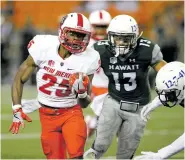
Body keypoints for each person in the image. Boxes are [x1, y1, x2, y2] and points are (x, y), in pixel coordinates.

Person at [9, 12, 100, 159]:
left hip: (71, 113)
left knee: (77, 155)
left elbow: (84, 104)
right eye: (73, 34)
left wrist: (82, 93)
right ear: (62, 31)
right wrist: (16, 108)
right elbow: (19, 78)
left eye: (81, 35)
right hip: (47, 115)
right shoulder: (43, 46)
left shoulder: (90, 58)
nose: (77, 39)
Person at [84, 14, 167, 159]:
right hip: (113, 100)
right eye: (117, 37)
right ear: (109, 36)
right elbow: (84, 71)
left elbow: (165, 71)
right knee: (100, 144)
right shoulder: (100, 49)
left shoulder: (147, 49)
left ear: (136, 37)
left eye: (126, 38)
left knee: (126, 152)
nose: (121, 42)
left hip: (139, 105)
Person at [134, 61, 184, 160]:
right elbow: (172, 92)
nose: (166, 97)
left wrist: (163, 153)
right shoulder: (181, 88)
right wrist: (154, 103)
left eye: (169, 94)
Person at [86, 9, 111, 137]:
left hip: (111, 84)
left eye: (104, 27)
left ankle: (91, 123)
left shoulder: (116, 42)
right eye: (97, 26)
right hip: (95, 84)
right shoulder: (85, 43)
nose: (101, 30)